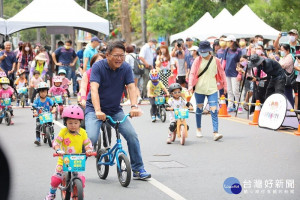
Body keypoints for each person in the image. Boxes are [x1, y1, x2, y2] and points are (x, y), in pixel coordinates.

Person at [85, 41, 151, 179]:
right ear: (107, 55)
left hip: (115, 110)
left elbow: (131, 87)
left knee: (132, 136)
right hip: (94, 110)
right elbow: (94, 89)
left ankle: (138, 169)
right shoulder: (98, 66)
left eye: (122, 55)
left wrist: (134, 106)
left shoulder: (125, 68)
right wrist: (97, 110)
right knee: (91, 138)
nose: (120, 58)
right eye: (116, 55)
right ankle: (75, 167)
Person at [44, 105, 93, 200]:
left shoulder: (82, 132)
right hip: (64, 160)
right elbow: (56, 142)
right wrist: (58, 149)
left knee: (81, 181)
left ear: (80, 123)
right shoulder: (64, 131)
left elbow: (87, 142)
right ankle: (51, 193)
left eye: (76, 123)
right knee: (55, 180)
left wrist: (89, 150)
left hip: (76, 160)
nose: (73, 125)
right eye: (70, 123)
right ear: (65, 122)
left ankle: (78, 194)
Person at [188, 41, 226, 141]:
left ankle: (215, 132)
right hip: (199, 89)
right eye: (201, 51)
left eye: (205, 51)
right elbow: (192, 73)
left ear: (209, 51)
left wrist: (225, 86)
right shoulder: (197, 60)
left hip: (212, 89)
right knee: (199, 110)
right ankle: (198, 129)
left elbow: (222, 73)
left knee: (214, 110)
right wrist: (190, 85)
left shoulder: (216, 60)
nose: (203, 53)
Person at [223, 35, 242, 112]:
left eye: (228, 41)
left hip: (235, 73)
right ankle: (230, 106)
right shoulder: (227, 49)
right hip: (227, 72)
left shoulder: (238, 50)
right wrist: (222, 71)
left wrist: (239, 73)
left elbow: (240, 62)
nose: (227, 43)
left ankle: (238, 106)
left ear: (232, 42)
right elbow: (224, 61)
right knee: (229, 90)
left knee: (235, 91)